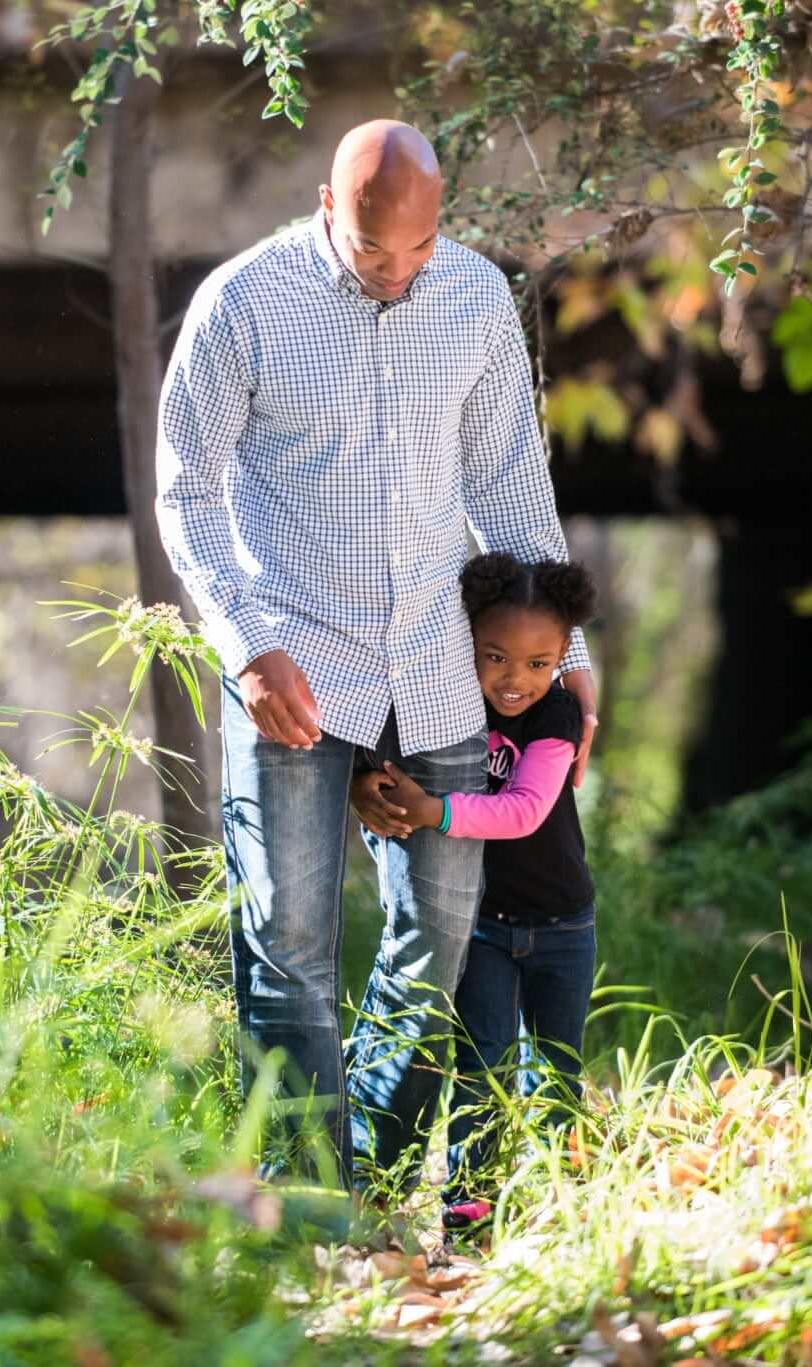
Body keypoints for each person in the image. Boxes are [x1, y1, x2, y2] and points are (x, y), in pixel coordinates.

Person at [154, 117, 598, 1189]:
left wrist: (564, 644)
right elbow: (187, 493)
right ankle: (311, 1206)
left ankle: (374, 1173)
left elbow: (506, 485)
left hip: (438, 669)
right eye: (371, 253)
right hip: (296, 669)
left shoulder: (475, 297)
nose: (397, 276)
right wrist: (248, 646)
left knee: (439, 941)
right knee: (289, 945)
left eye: (416, 250)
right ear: (325, 209)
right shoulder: (243, 304)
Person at [351, 553, 599, 1231]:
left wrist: (435, 811)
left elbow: (524, 810)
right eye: (495, 656)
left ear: (562, 658)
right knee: (480, 1066)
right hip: (485, 925)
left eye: (537, 663)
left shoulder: (556, 716)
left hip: (562, 928)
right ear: (469, 642)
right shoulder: (447, 701)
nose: (514, 679)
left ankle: (565, 1206)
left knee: (556, 1068)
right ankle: (469, 1211)